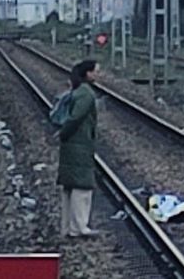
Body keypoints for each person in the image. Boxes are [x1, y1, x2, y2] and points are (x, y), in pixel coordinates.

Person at [58, 59, 101, 237]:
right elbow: (76, 117)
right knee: (82, 185)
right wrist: (65, 133)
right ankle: (79, 227)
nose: (99, 74)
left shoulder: (78, 91)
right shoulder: (86, 94)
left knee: (70, 186)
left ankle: (68, 227)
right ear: (88, 73)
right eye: (96, 71)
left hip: (73, 143)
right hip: (79, 143)